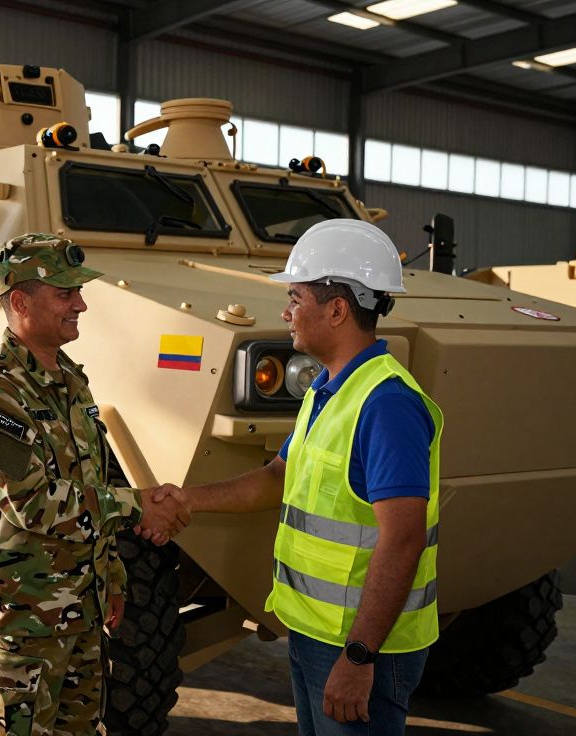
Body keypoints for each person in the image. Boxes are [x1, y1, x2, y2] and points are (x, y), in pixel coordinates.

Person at [161, 219, 442, 735]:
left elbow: (403, 539)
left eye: (295, 297)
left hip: (362, 644)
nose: (286, 313)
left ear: (337, 310)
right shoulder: (327, 389)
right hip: (318, 633)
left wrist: (359, 658)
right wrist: (186, 499)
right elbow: (276, 478)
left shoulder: (387, 405)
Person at [0, 232, 189, 736]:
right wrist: (138, 506)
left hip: (78, 617)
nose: (81, 303)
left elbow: (89, 481)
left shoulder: (70, 384)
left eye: (78, 291)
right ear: (19, 301)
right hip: (17, 630)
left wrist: (112, 578)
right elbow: (35, 505)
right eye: (64, 293)